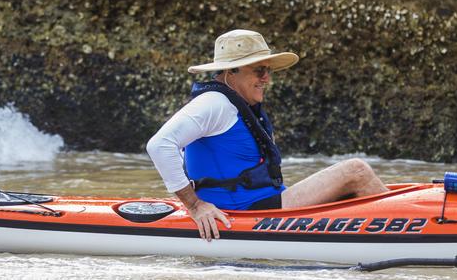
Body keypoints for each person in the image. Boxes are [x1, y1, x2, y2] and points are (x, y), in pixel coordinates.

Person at [146, 29, 388, 241]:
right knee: (356, 171)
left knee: (357, 190)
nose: (267, 79)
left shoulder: (233, 103)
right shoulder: (214, 103)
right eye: (259, 70)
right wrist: (195, 205)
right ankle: (412, 231)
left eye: (268, 71)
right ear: (232, 71)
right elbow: (160, 145)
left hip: (267, 203)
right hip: (249, 212)